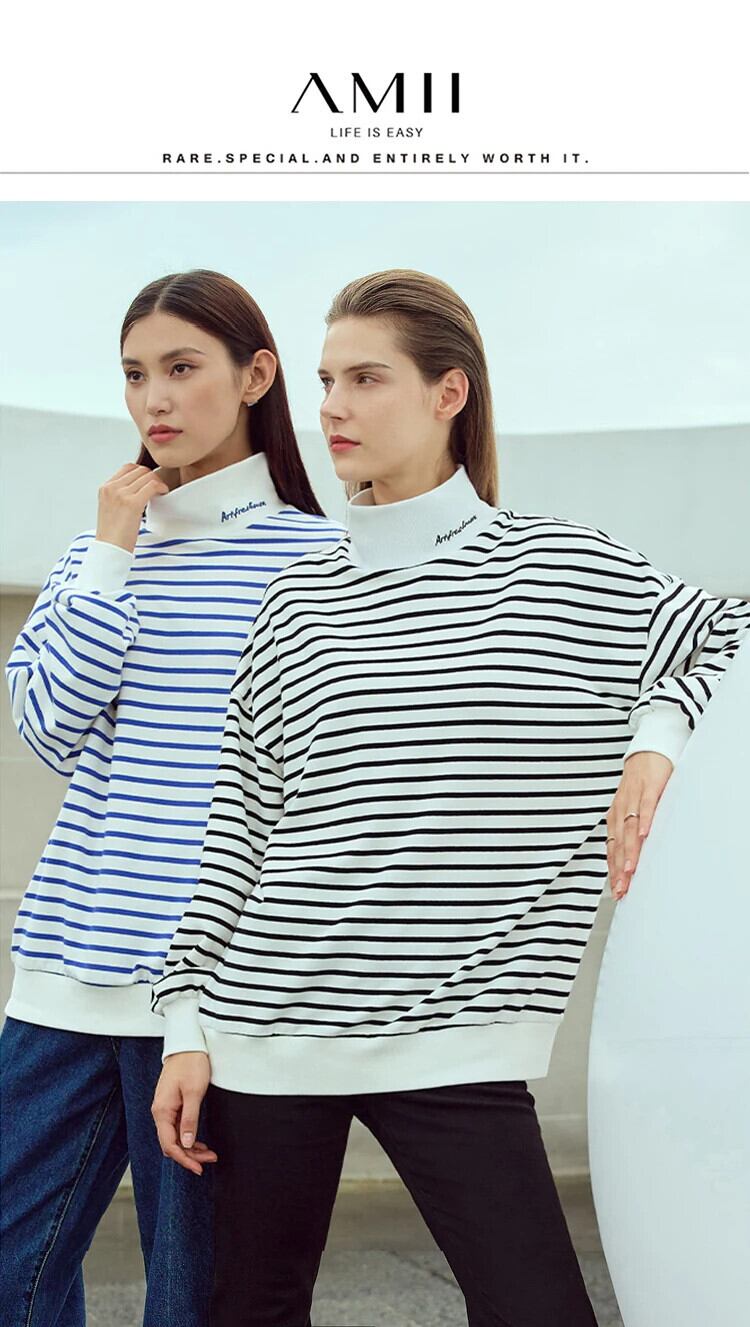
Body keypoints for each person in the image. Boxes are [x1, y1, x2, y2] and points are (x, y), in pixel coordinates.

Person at [151, 269, 750, 1327]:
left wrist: (657, 738)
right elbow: (239, 828)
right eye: (325, 380)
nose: (332, 406)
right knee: (251, 1309)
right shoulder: (294, 601)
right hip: (265, 1030)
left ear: (449, 392)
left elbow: (727, 630)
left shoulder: (563, 569)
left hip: (463, 1034)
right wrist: (184, 1022)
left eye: (366, 378)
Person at [0, 269, 345, 1327]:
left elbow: (317, 797)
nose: (154, 398)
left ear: (256, 375)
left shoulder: (323, 563)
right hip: (63, 976)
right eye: (135, 374)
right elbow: (47, 727)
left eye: (183, 367)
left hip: (208, 1000)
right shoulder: (96, 555)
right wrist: (111, 552)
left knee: (195, 1301)